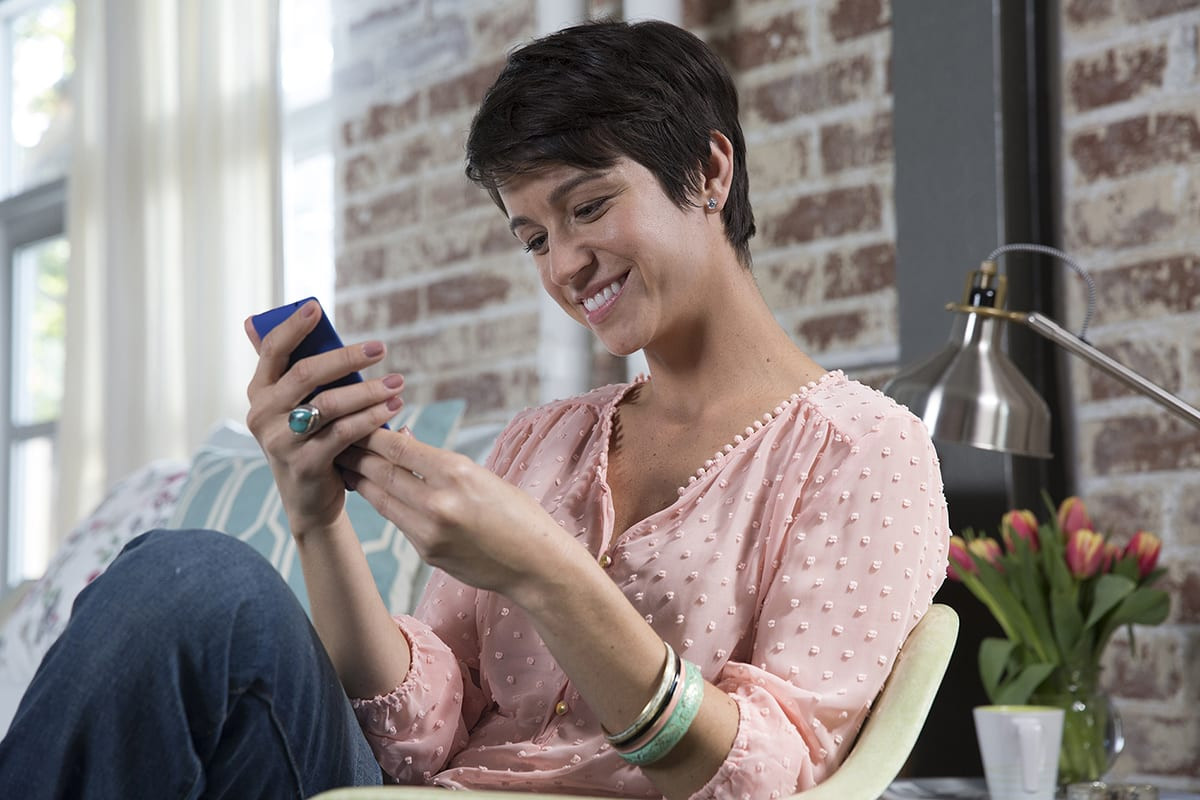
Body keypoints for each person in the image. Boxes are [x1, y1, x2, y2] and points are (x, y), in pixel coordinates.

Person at [0, 18, 949, 800]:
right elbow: (421, 737)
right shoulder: (549, 439)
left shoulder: (866, 450)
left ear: (708, 171)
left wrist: (548, 573)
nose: (564, 266)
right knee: (184, 573)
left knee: (188, 578)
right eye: (533, 236)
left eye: (587, 207)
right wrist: (317, 515)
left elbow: (772, 779)